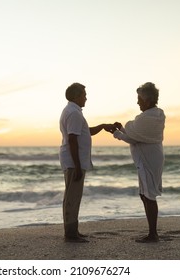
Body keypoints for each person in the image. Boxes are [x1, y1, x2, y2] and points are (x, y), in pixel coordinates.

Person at [59, 82, 114, 243]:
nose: (86, 97)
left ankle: (72, 230)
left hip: (71, 160)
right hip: (73, 161)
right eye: (84, 94)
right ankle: (71, 234)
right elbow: (73, 140)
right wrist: (77, 165)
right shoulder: (74, 113)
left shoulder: (72, 111)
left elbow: (85, 132)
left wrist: (103, 126)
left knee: (72, 196)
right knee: (73, 197)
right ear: (76, 96)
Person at [112, 82, 166, 243]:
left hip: (149, 160)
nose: (137, 102)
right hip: (150, 158)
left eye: (139, 99)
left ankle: (153, 234)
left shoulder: (148, 118)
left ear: (148, 101)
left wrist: (117, 133)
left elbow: (132, 137)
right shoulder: (156, 115)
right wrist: (122, 129)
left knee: (149, 196)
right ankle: (152, 232)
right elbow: (136, 135)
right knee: (144, 194)